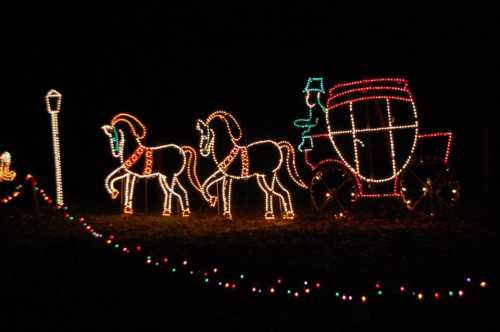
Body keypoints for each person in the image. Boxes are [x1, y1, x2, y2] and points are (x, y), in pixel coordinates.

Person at [293, 77, 326, 152]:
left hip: (321, 128)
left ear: (316, 95)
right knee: (307, 132)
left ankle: (309, 147)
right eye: (307, 94)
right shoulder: (315, 107)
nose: (307, 97)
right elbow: (312, 120)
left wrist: (301, 123)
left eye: (309, 94)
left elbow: (313, 122)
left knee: (306, 133)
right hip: (318, 127)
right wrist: (302, 122)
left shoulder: (317, 108)